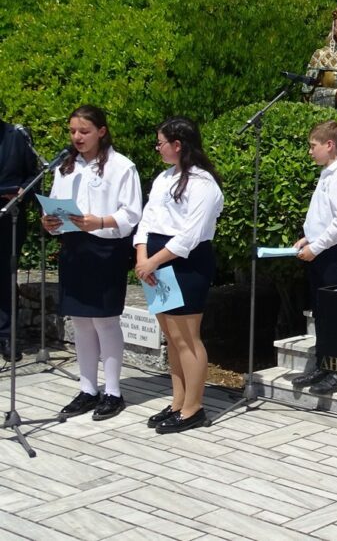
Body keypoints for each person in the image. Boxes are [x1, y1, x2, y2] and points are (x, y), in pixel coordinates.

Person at [42, 106, 142, 420]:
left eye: (84, 131)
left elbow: (132, 213)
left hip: (106, 249)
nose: (77, 137)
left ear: (101, 131)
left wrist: (99, 221)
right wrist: (50, 221)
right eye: (72, 131)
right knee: (80, 321)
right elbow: (55, 204)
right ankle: (88, 389)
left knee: (105, 321)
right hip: (74, 247)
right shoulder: (65, 167)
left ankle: (113, 391)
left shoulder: (121, 166)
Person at [134, 117, 224, 434]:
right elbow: (147, 220)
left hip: (186, 263)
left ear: (178, 145)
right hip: (156, 260)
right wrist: (142, 257)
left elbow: (189, 236)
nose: (157, 148)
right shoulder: (164, 178)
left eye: (160, 143)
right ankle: (178, 401)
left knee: (187, 337)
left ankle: (193, 407)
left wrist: (153, 262)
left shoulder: (203, 184)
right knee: (171, 337)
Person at [291, 121, 337, 395]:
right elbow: (324, 215)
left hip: (336, 252)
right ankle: (325, 362)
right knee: (321, 311)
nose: (310, 151)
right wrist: (308, 237)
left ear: (330, 145)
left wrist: (317, 246)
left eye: (313, 146)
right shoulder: (327, 173)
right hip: (322, 249)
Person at [0, 119, 37, 362]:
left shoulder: (17, 136)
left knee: (5, 276)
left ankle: (6, 335)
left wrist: (24, 190)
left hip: (9, 216)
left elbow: (34, 175)